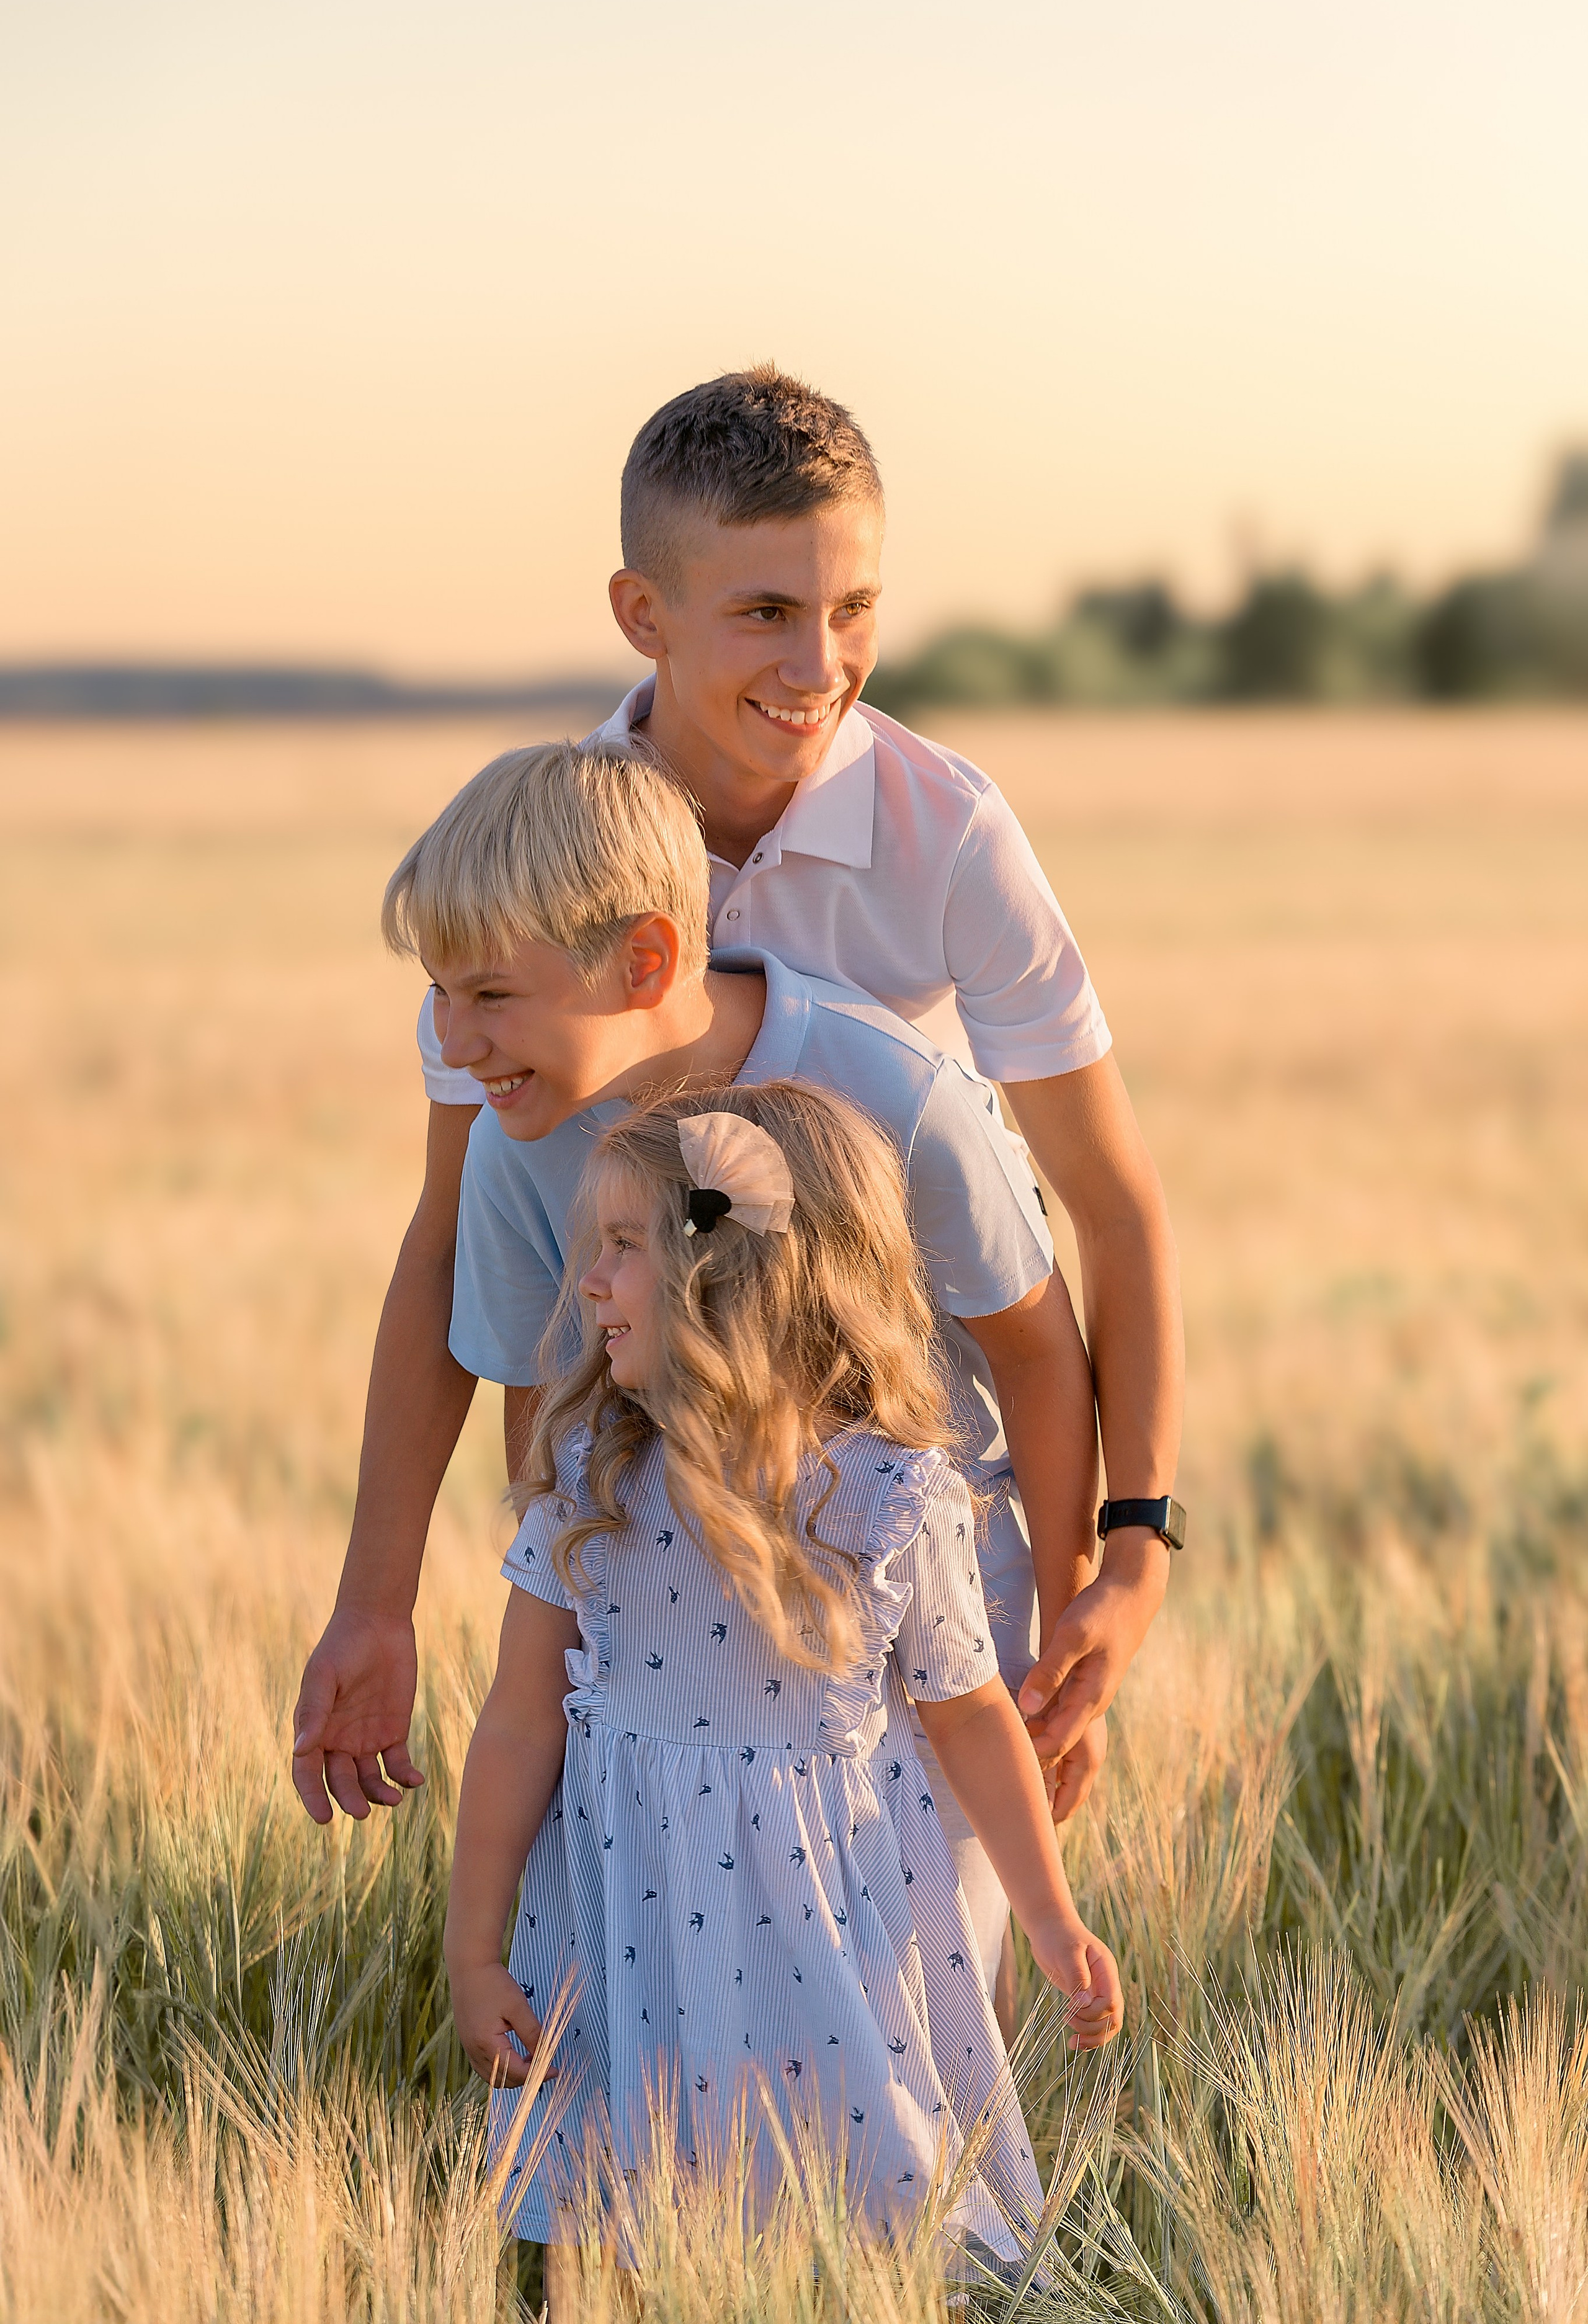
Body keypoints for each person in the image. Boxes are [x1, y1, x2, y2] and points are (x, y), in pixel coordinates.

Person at [294, 364, 1182, 1836]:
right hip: (648, 1498)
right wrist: (375, 1604)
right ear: (642, 614)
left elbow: (1105, 1203)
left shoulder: (946, 829)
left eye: (855, 610)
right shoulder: (530, 864)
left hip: (917, 1483)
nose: (820, 662)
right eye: (765, 612)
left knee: (924, 1958)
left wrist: (1123, 1549)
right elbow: (464, 1236)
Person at [360, 737, 1104, 2019]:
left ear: (643, 962)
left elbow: (1037, 1357)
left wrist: (1063, 1629)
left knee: (896, 2035)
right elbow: (534, 1423)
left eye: (486, 995)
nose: (453, 1039)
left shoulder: (889, 1093)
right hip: (660, 1702)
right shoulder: (517, 1146)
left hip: (909, 1651)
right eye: (436, 995)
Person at [444, 1080, 1123, 2279]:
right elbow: (516, 1723)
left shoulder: (890, 1499)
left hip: (825, 1924)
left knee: (875, 2222)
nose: (587, 1281)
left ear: (734, 1277)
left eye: (622, 1248)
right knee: (623, 2232)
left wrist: (1050, 1915)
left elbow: (968, 1720)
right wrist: (475, 1943)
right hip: (622, 1919)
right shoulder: (596, 1472)